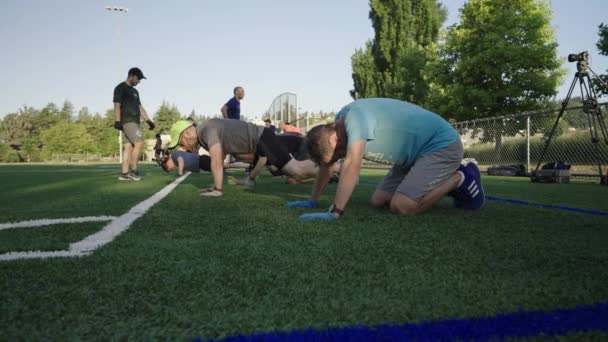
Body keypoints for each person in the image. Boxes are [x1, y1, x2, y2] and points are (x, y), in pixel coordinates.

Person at [285, 98, 485, 221]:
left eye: (338, 154)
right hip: (414, 155)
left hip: (441, 146)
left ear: (334, 138)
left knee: (402, 206)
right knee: (378, 201)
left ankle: (461, 177)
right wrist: (312, 201)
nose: (338, 158)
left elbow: (352, 166)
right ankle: (436, 180)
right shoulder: (337, 128)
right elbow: (327, 166)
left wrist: (335, 212)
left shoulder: (355, 119)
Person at [168, 119, 316, 196]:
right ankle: (331, 166)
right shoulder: (203, 135)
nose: (183, 147)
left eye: (181, 142)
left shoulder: (206, 130)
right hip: (260, 141)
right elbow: (222, 154)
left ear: (187, 133)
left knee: (297, 171)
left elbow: (217, 160)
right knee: (295, 171)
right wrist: (215, 186)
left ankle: (333, 166)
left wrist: (218, 190)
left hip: (262, 139)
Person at [113, 67, 155, 181]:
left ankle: (125, 173)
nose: (139, 81)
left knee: (129, 147)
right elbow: (117, 104)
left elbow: (140, 108)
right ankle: (134, 171)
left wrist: (148, 120)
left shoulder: (135, 92)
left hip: (134, 122)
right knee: (139, 143)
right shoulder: (120, 88)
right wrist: (117, 121)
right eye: (138, 78)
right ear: (131, 75)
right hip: (128, 121)